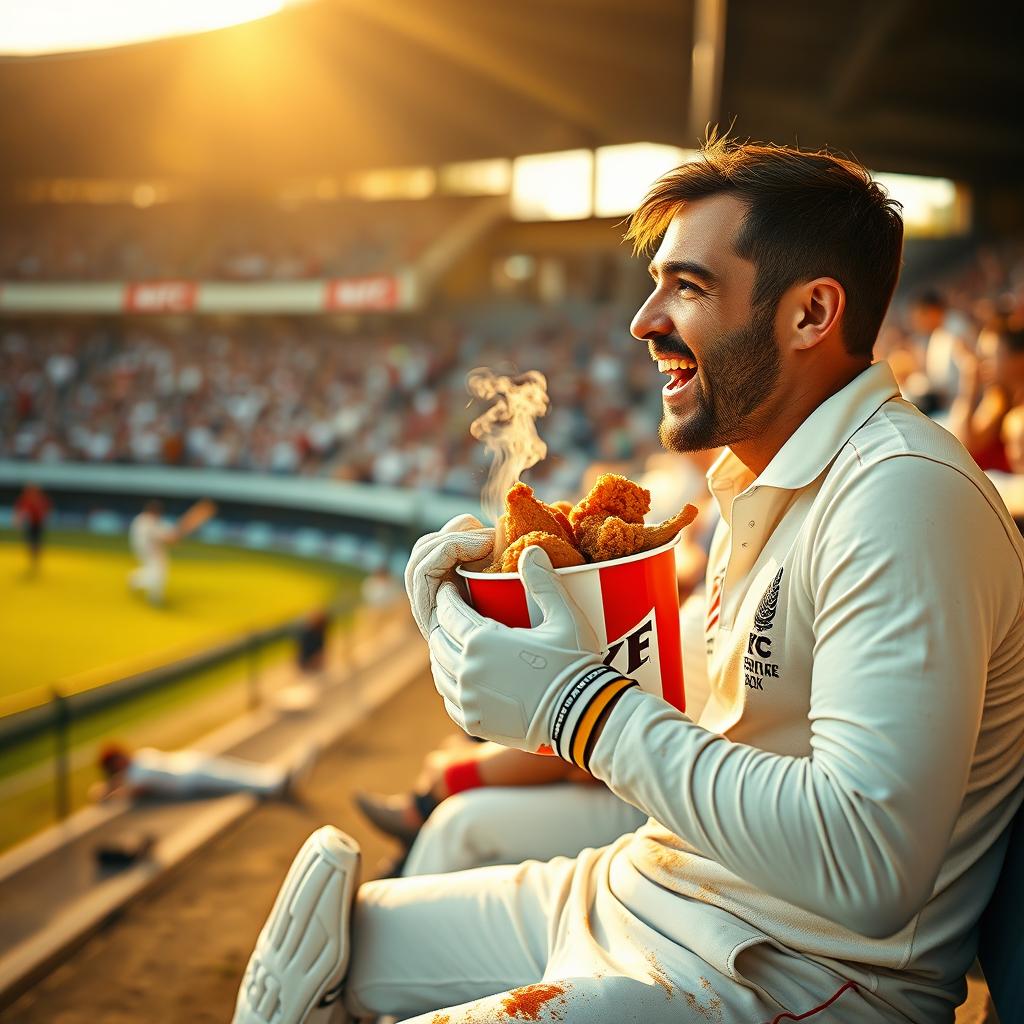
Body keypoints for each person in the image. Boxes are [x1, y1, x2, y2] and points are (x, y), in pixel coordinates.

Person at [232, 139, 1024, 1024]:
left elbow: (866, 866)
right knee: (303, 961)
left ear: (811, 313)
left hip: (787, 980)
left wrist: (580, 706)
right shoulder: (764, 483)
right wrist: (492, 628)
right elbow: (664, 707)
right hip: (648, 889)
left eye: (687, 287)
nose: (643, 321)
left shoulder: (902, 496)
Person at [91, 741, 315, 802]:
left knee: (234, 771)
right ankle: (275, 783)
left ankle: (275, 776)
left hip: (190, 763)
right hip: (188, 778)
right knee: (232, 780)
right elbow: (135, 791)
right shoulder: (133, 777)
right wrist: (110, 790)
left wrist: (111, 788)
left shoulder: (137, 761)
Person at [128, 499, 178, 605]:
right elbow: (165, 537)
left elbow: (165, 533)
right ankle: (154, 597)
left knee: (155, 572)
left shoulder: (141, 519)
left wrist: (172, 537)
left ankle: (137, 581)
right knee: (157, 573)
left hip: (144, 550)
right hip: (150, 551)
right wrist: (172, 538)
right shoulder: (148, 521)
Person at [13, 482, 51, 574]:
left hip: (38, 524)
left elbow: (46, 510)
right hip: (31, 524)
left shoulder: (41, 499)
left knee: (36, 544)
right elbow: (20, 511)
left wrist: (45, 519)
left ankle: (35, 563)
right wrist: (19, 521)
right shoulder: (26, 499)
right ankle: (33, 562)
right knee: (31, 543)